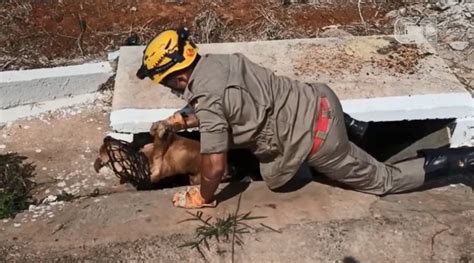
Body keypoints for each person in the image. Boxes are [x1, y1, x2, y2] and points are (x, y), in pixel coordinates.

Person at [136, 27, 474, 209]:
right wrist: (182, 120)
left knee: (381, 181)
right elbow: (229, 103)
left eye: (166, 83)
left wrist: (202, 197)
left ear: (178, 77)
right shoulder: (219, 63)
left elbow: (213, 166)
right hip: (321, 99)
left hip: (318, 139)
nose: (168, 90)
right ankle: (360, 131)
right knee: (274, 163)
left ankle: (462, 161)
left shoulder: (207, 101)